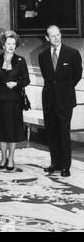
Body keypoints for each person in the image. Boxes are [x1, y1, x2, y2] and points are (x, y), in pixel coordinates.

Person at [40, 25, 83, 177]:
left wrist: (64, 90)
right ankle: (55, 163)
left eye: (58, 34)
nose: (57, 38)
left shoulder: (72, 53)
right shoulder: (42, 56)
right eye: (53, 36)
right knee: (51, 132)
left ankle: (65, 166)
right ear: (47, 38)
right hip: (49, 100)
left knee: (63, 133)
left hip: (65, 100)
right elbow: (48, 78)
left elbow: (77, 75)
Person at [0, 30, 30, 171]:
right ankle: (3, 158)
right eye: (8, 43)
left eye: (13, 43)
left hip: (14, 101)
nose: (11, 46)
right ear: (3, 45)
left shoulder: (20, 60)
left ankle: (11, 158)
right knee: (1, 131)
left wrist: (16, 84)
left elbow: (26, 80)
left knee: (12, 131)